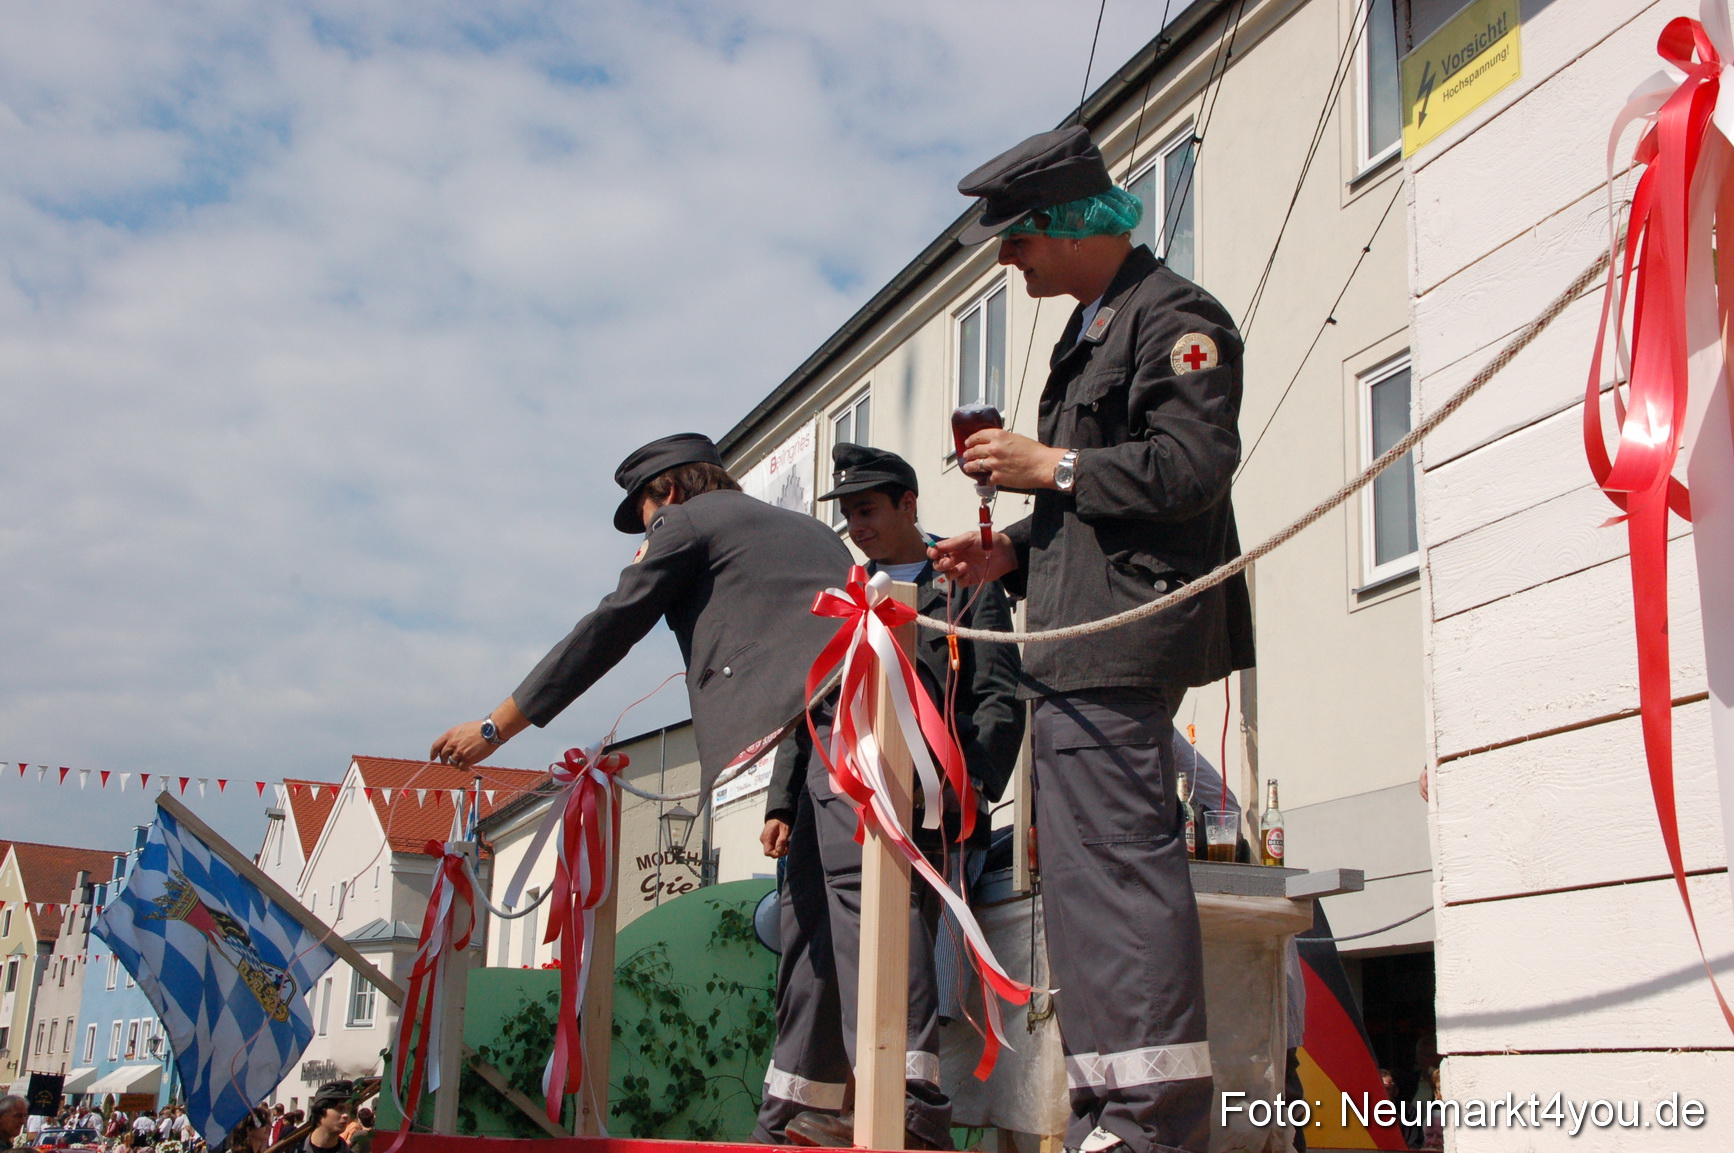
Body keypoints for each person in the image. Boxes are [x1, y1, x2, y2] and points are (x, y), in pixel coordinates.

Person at [931, 125, 1254, 1153]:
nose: (1006, 258)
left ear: (1070, 227)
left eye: (1017, 239)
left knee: (1118, 872)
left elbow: (1190, 468)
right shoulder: (1094, 329)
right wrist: (1011, 555)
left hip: (1121, 642)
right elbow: (1093, 504)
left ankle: (1150, 1122)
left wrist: (1054, 467)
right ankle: (1113, 1109)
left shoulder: (1177, 320)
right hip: (1072, 645)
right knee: (1083, 885)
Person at [753, 445, 1025, 1149]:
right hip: (827, 805)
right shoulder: (844, 588)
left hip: (919, 806)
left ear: (908, 503)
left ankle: (907, 1108)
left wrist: (972, 789)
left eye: (867, 509)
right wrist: (783, 801)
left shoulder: (962, 584)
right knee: (808, 945)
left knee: (895, 944)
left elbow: (998, 694)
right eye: (848, 513)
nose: (857, 525)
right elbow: (811, 704)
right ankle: (791, 1114)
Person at [430, 433, 852, 799]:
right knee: (815, 887)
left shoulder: (683, 519)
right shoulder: (813, 528)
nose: (649, 529)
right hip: (856, 706)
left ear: (668, 492)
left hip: (836, 724)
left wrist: (494, 728)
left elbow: (610, 627)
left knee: (849, 884)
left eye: (644, 517)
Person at [300, 1085, 351, 1153]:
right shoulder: (294, 1149)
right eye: (340, 1109)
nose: (346, 1115)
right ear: (320, 1112)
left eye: (348, 1109)